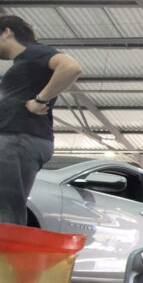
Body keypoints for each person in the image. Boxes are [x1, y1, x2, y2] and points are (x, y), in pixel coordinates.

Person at [0, 15, 82, 225]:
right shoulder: (25, 61)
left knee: (6, 208)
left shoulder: (35, 52)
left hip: (19, 138)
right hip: (16, 139)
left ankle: (7, 257)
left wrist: (40, 99)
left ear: (7, 32)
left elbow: (71, 67)